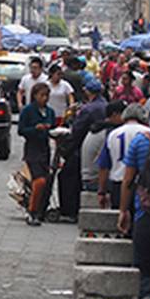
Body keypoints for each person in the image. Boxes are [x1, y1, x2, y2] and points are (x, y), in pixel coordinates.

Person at [116, 126, 150, 299]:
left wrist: (123, 210)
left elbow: (128, 180)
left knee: (144, 266)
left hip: (145, 214)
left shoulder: (141, 142)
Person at [57, 78, 106, 221]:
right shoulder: (104, 105)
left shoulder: (88, 110)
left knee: (67, 177)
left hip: (83, 149)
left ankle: (69, 211)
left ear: (87, 91)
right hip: (99, 149)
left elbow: (77, 132)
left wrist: (65, 150)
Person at [97, 104, 149, 209]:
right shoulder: (148, 133)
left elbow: (104, 166)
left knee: (120, 219)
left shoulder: (113, 134)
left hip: (118, 184)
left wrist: (102, 191)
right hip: (143, 185)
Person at [18, 84, 56, 226]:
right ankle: (32, 210)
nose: (44, 99)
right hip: (32, 149)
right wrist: (35, 129)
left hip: (45, 149)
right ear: (35, 96)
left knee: (45, 180)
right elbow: (21, 130)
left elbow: (52, 127)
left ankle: (40, 209)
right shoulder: (28, 111)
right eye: (42, 95)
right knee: (39, 180)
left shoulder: (50, 112)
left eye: (47, 96)